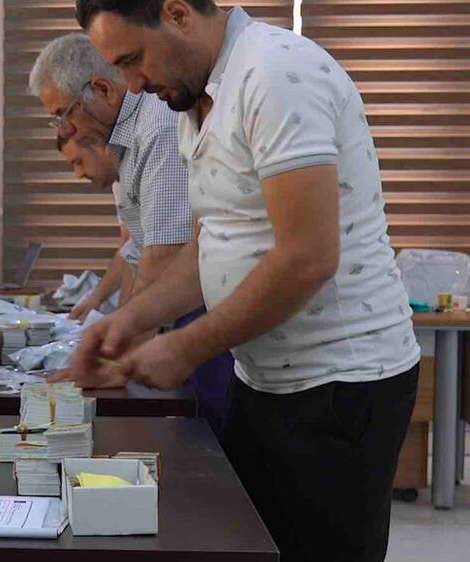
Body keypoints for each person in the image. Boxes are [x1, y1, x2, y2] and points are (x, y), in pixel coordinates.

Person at [71, 2, 420, 561]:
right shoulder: (200, 97)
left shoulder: (274, 73)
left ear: (179, 13)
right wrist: (129, 321)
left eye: (134, 60)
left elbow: (307, 257)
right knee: (246, 545)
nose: (132, 85)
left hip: (339, 384)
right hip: (264, 380)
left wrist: (185, 346)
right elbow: (214, 242)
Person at [29, 32, 191, 310]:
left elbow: (164, 254)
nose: (66, 130)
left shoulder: (156, 130)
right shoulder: (125, 139)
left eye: (64, 114)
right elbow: (137, 253)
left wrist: (124, 340)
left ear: (103, 90)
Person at [55, 133, 139, 319]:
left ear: (98, 144)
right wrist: (96, 298)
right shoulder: (120, 181)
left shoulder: (141, 166)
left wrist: (125, 320)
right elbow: (129, 247)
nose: (79, 174)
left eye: (79, 162)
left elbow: (148, 252)